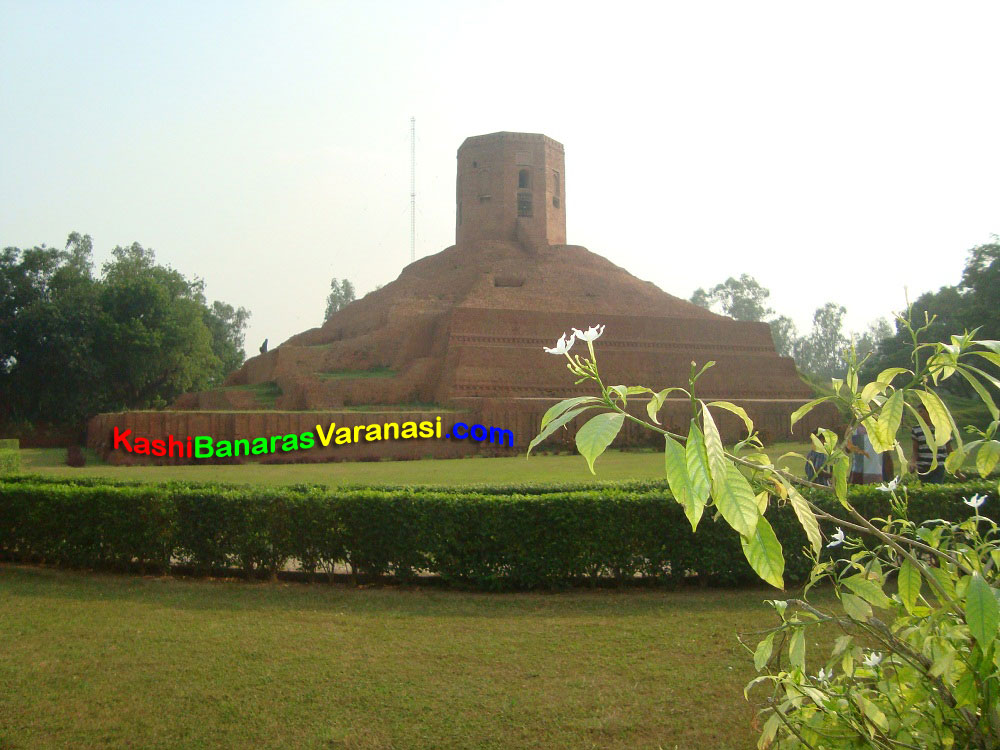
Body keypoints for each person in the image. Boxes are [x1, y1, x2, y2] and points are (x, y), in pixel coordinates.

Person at [910, 404, 950, 483]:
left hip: (939, 465)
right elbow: (915, 450)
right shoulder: (916, 430)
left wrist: (956, 470)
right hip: (923, 466)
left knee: (936, 486)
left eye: (921, 412)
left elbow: (949, 449)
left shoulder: (942, 428)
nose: (919, 414)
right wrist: (913, 462)